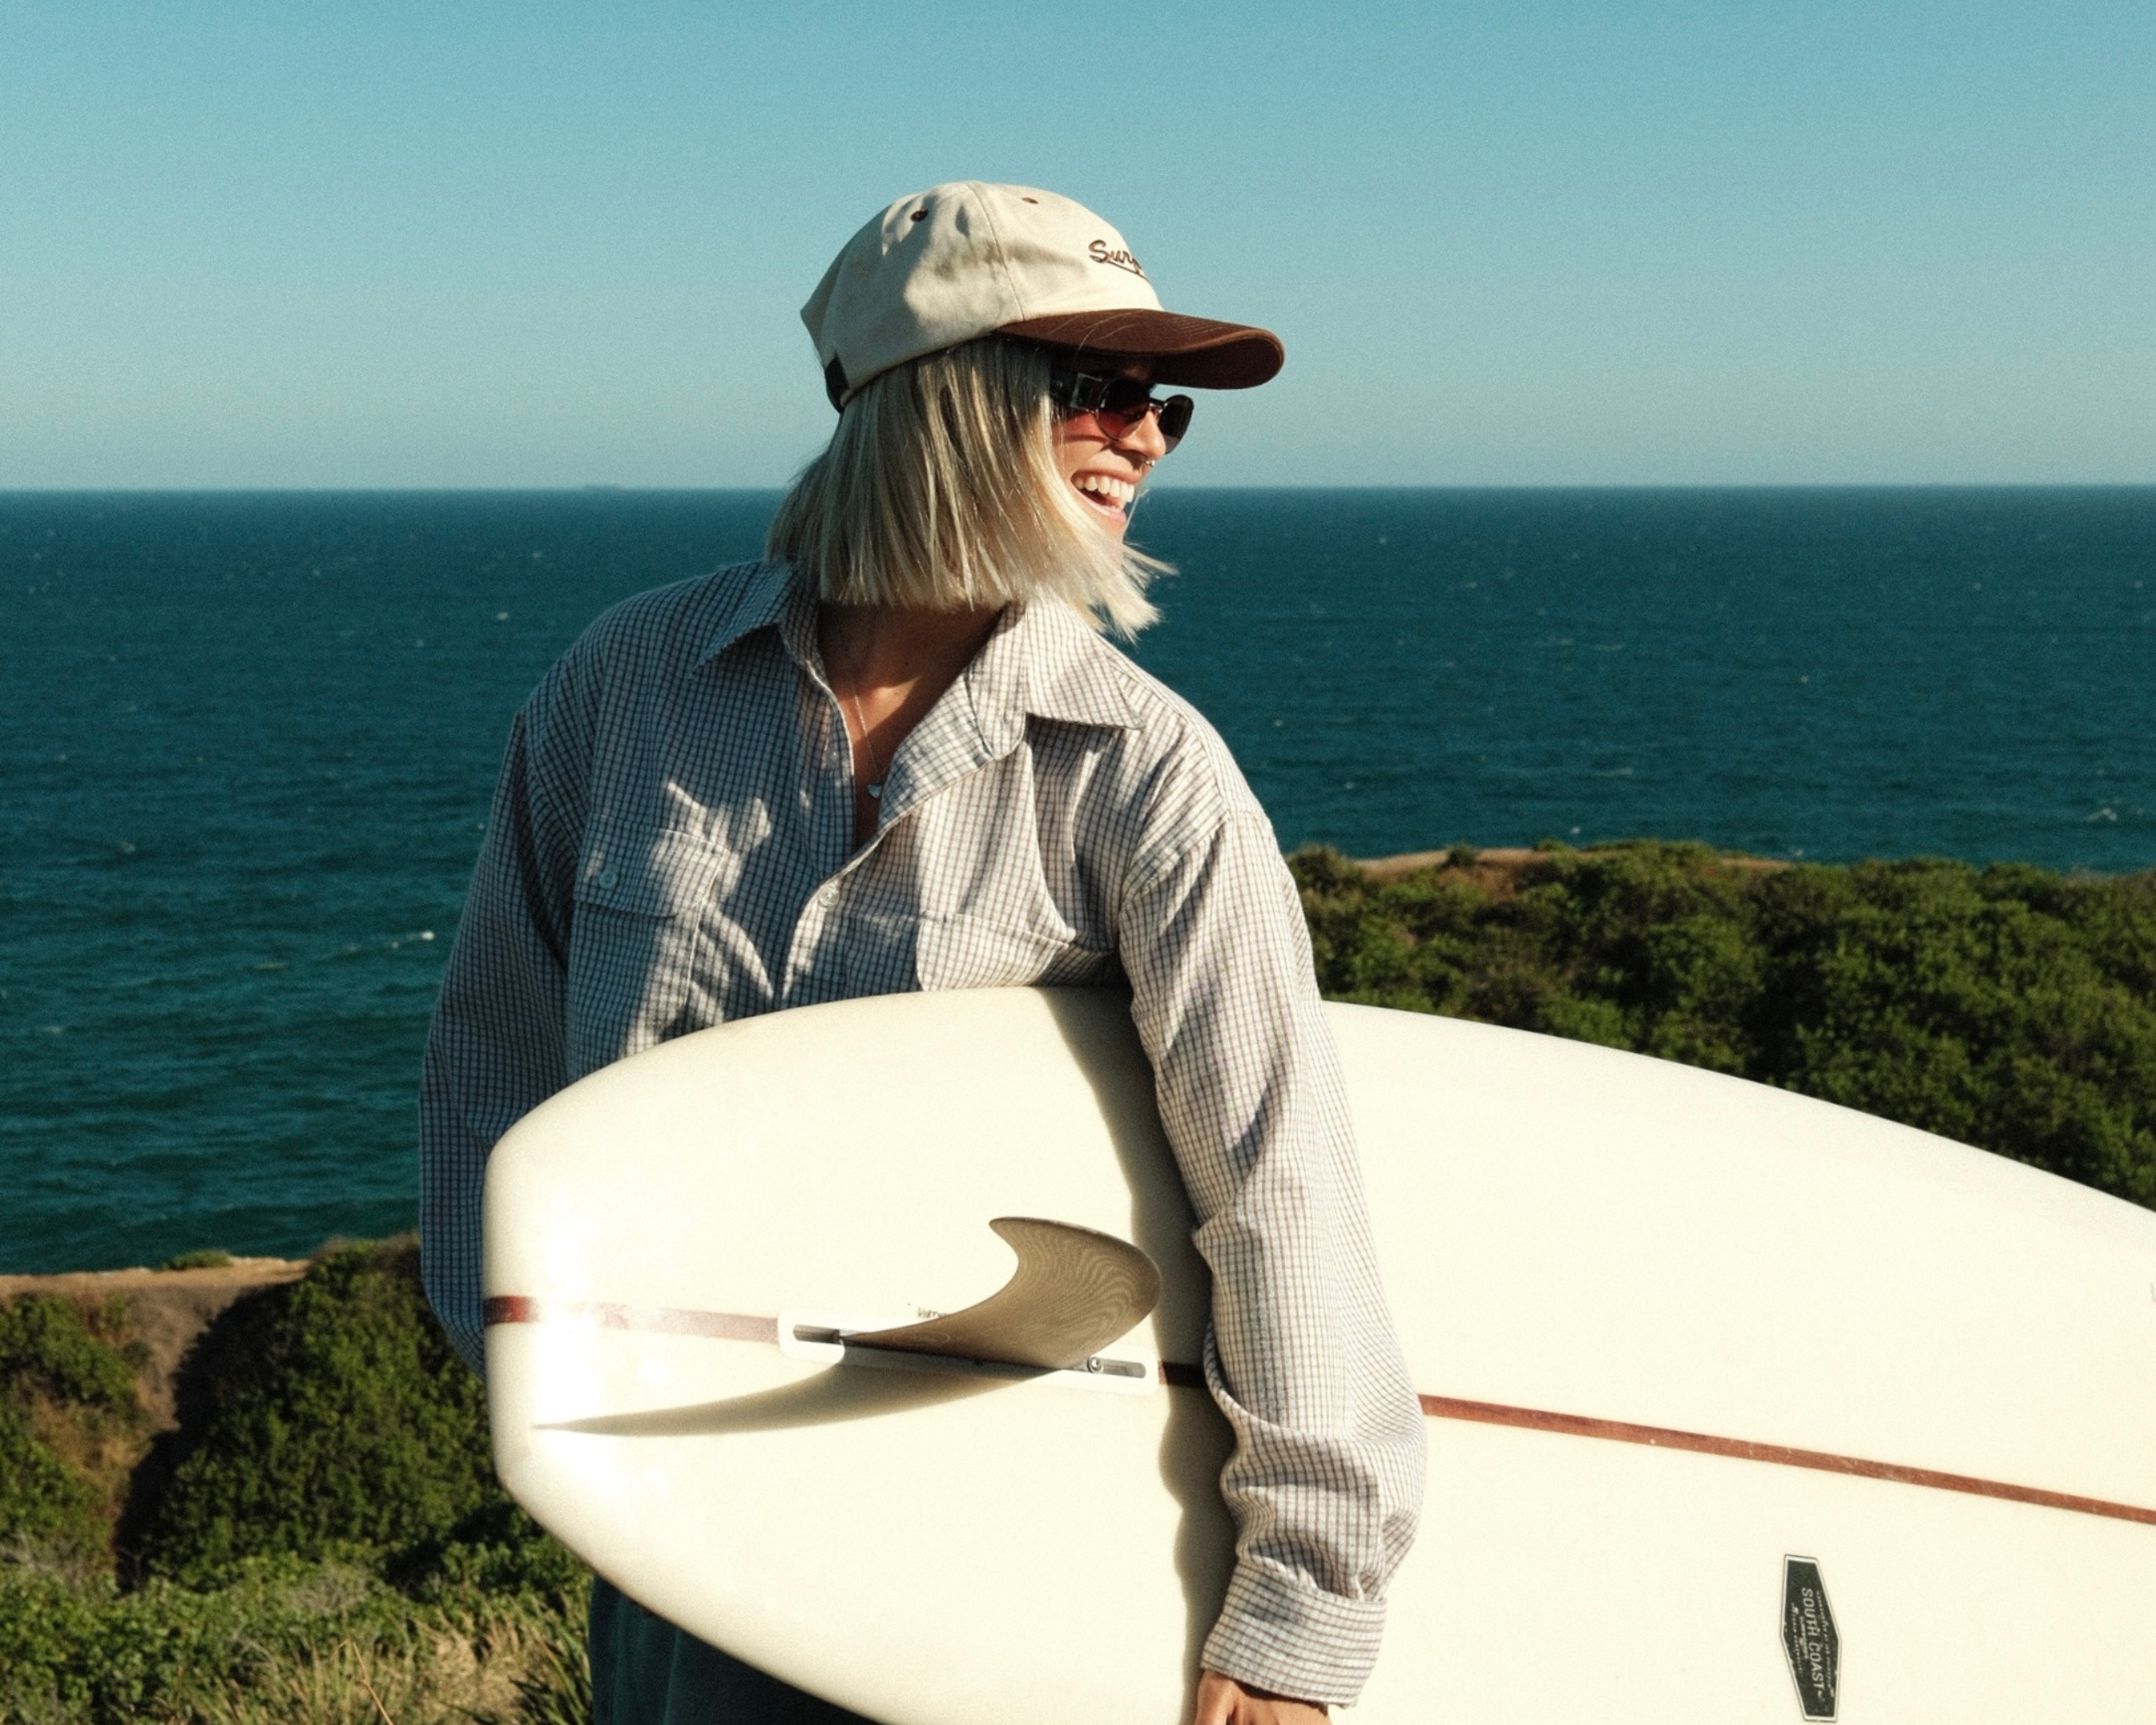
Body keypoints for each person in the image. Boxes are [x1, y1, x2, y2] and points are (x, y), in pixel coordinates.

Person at [420, 181, 1424, 1725]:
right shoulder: (622, 690)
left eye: (1161, 404)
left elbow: (1277, 1179)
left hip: (1019, 1544)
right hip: (688, 1527)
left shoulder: (1144, 772)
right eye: (1096, 386)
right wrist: (545, 1394)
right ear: (935, 398)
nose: (1146, 433)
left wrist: (1300, 1601)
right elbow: (490, 1069)